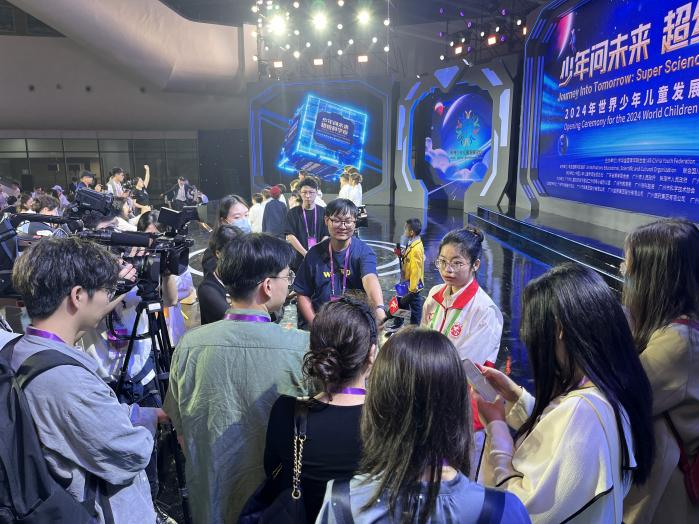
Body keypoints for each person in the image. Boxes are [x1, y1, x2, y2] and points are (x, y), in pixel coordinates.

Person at [475, 263, 655, 523]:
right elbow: (561, 439)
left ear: (559, 329)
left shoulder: (582, 413)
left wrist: (497, 427)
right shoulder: (610, 391)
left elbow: (522, 510)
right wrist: (517, 397)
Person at [9, 237, 165, 523]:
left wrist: (143, 414)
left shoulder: (21, 349)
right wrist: (145, 430)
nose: (109, 298)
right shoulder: (66, 380)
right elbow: (128, 453)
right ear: (78, 295)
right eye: (107, 290)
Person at [317, 327, 530, 523]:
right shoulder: (503, 510)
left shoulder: (342, 503)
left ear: (377, 406)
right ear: (458, 408)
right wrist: (497, 425)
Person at [164, 233, 309, 523]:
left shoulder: (189, 345)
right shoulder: (301, 347)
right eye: (287, 276)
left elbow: (181, 431)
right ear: (267, 286)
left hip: (209, 499)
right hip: (275, 505)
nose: (289, 283)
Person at [263, 298, 376, 522]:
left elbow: (272, 471)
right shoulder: (392, 419)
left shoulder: (286, 412)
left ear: (314, 350)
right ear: (371, 354)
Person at [622, 219, 699, 524]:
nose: (623, 272)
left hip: (667, 502)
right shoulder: (674, 330)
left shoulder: (677, 344)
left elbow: (618, 398)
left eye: (630, 266)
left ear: (654, 277)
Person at [293, 198, 386, 329]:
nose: (342, 226)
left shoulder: (364, 252)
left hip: (353, 325)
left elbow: (370, 278)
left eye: (348, 221)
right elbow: (302, 292)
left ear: (355, 223)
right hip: (322, 322)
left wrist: (379, 308)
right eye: (336, 220)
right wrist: (314, 324)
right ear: (326, 220)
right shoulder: (314, 254)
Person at [421, 227, 503, 365]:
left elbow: (465, 366)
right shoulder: (434, 294)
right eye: (442, 261)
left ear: (475, 265)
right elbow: (422, 340)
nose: (447, 269)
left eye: (457, 263)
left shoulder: (485, 311)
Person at [137, 211, 194, 347]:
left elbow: (186, 289)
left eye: (159, 237)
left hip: (170, 330)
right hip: (142, 334)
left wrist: (167, 272)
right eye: (149, 236)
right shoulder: (134, 261)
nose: (154, 242)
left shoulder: (173, 260)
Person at [197, 224, 243, 324]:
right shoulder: (207, 289)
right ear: (218, 253)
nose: (240, 255)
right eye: (234, 251)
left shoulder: (242, 277)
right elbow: (234, 321)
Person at [284, 178, 329, 270]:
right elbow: (290, 235)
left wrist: (316, 251)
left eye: (311, 192)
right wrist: (305, 253)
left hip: (319, 257)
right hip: (298, 258)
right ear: (300, 193)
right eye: (304, 192)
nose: (308, 195)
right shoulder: (293, 213)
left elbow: (326, 234)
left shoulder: (323, 212)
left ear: (316, 192)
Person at [398, 217, 425, 325]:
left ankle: (414, 327)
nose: (404, 231)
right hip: (406, 280)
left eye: (406, 229)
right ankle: (398, 322)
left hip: (412, 285)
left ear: (411, 232)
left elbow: (416, 270)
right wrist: (402, 254)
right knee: (401, 301)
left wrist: (413, 289)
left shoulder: (416, 248)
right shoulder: (412, 243)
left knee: (415, 307)